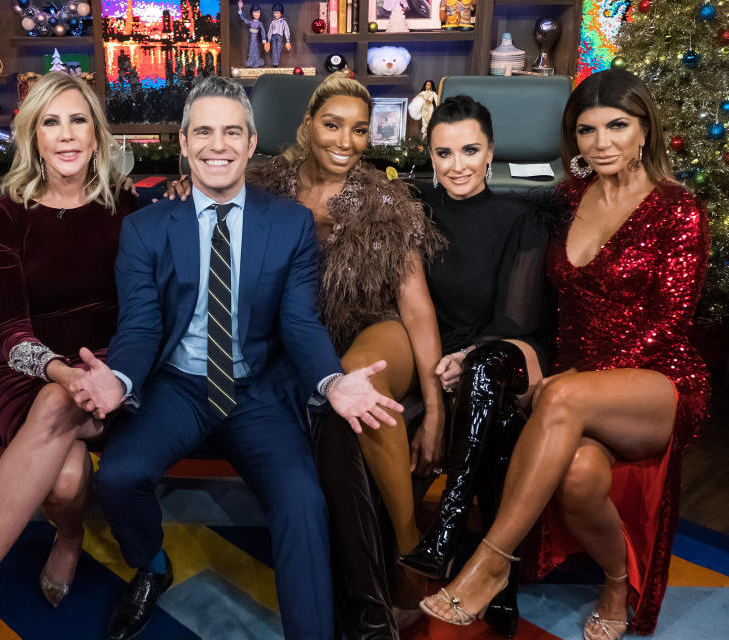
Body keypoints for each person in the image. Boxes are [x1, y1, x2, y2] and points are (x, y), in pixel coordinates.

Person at [70, 76, 405, 640]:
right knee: (120, 477)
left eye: (231, 131)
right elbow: (141, 325)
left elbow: (298, 322)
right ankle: (151, 565)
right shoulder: (144, 229)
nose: (216, 144)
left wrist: (330, 380)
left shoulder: (290, 224)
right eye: (203, 131)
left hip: (256, 391)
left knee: (302, 500)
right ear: (183, 141)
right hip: (178, 386)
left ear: (252, 143)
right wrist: (121, 378)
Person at [418, 69, 710, 640]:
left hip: (655, 381)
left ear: (644, 130)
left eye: (618, 126)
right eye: (586, 130)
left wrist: (569, 378)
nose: (602, 143)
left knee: (560, 394)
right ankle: (617, 579)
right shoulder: (566, 198)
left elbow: (669, 326)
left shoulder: (679, 210)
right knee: (577, 478)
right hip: (574, 387)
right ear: (572, 139)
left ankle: (492, 561)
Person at [165, 72, 445, 638]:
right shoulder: (266, 183)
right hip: (298, 339)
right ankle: (354, 594)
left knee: (352, 382)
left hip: (375, 329)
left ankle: (413, 550)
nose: (346, 140)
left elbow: (416, 310)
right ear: (306, 125)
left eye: (360, 130)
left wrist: (435, 410)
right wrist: (179, 189)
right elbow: (210, 191)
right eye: (333, 124)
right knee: (329, 420)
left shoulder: (387, 199)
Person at [0, 72, 137, 639]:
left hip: (110, 370)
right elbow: (9, 331)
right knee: (64, 479)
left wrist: (103, 373)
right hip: (28, 371)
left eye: (77, 120)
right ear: (32, 136)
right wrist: (64, 373)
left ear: (96, 133)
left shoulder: (126, 206)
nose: (66, 135)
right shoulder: (8, 214)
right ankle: (66, 536)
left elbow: (144, 312)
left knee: (64, 449)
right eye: (50, 122)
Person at [398, 95, 551, 639]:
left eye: (469, 150)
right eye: (444, 152)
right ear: (430, 155)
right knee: (498, 426)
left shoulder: (519, 216)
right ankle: (500, 579)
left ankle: (448, 526)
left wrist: (466, 358)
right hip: (442, 356)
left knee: (487, 375)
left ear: (491, 152)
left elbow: (517, 316)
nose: (457, 164)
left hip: (504, 351)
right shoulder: (412, 208)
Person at [236, 1, 267, 68]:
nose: (257, 14)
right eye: (255, 12)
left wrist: (264, 41)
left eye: (258, 12)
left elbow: (263, 31)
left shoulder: (260, 23)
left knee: (256, 50)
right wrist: (240, 9)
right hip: (251, 39)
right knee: (251, 50)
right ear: (252, 13)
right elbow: (243, 19)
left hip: (255, 39)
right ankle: (251, 62)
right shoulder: (250, 22)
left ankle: (256, 62)